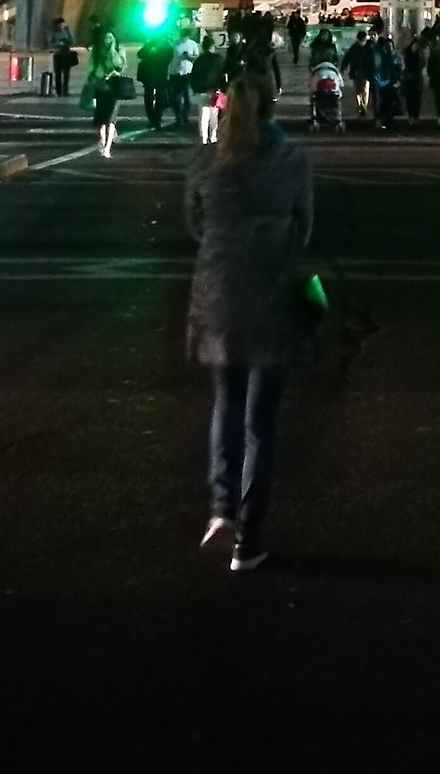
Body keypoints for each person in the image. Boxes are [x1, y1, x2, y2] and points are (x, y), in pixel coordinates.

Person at [185, 75, 313, 573]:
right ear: (270, 106)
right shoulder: (291, 159)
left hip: (217, 296)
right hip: (272, 291)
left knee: (226, 404)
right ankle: (248, 534)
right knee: (261, 420)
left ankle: (219, 510)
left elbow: (194, 224)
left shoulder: (205, 161)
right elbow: (305, 224)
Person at [86, 30, 123, 157]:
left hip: (114, 89)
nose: (108, 40)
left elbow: (122, 66)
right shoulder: (96, 53)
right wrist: (97, 76)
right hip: (100, 88)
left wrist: (114, 72)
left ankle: (107, 147)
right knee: (101, 120)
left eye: (110, 38)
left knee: (111, 120)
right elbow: (90, 69)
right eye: (106, 38)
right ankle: (102, 140)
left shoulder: (118, 50)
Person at [137, 33, 173, 133]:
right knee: (148, 98)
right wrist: (149, 48)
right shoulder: (150, 44)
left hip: (160, 76)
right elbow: (140, 54)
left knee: (160, 100)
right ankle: (151, 118)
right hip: (148, 76)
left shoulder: (167, 46)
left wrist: (155, 54)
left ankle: (157, 120)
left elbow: (167, 59)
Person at [169, 32, 199, 135]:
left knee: (187, 97)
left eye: (185, 36)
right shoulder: (174, 44)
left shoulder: (193, 44)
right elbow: (169, 57)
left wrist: (189, 56)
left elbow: (196, 57)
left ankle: (185, 117)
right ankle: (178, 116)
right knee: (176, 98)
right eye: (182, 36)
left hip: (187, 73)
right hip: (175, 73)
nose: (183, 38)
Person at [50, 18, 77, 96]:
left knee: (66, 74)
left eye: (62, 25)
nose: (61, 26)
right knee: (58, 74)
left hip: (66, 54)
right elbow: (51, 43)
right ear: (57, 25)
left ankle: (65, 91)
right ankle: (58, 91)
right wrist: (57, 44)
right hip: (58, 55)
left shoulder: (67, 31)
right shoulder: (54, 33)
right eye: (60, 25)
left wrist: (67, 42)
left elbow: (72, 41)